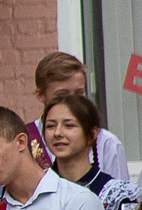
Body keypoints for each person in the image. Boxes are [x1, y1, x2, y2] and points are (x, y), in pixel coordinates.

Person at [33, 52, 127, 181]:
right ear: (40, 95)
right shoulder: (25, 141)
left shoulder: (106, 143)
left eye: (79, 94)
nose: (72, 102)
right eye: (62, 95)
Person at [42, 93, 114, 198]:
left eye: (69, 125)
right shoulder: (37, 189)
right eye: (51, 126)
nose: (57, 133)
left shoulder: (112, 193)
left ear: (92, 134)